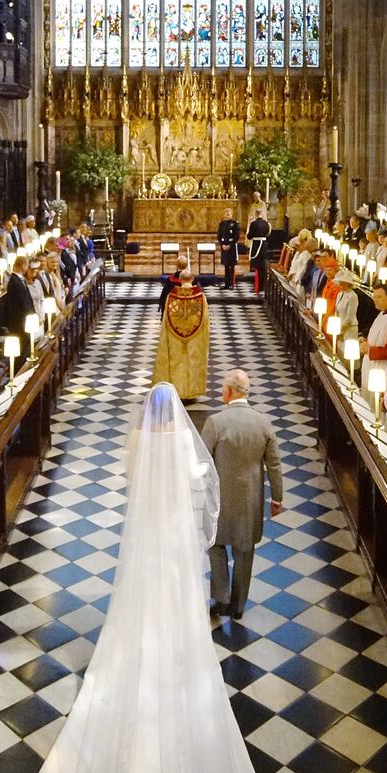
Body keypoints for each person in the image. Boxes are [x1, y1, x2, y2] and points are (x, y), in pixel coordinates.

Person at [38, 382, 257, 773]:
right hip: (173, 530)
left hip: (145, 530)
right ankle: (175, 641)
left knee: (141, 587)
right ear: (174, 412)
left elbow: (130, 474)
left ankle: (140, 642)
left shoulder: (139, 439)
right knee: (176, 586)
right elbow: (203, 481)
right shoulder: (182, 443)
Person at [202, 370, 283, 620]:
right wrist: (277, 498)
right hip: (251, 502)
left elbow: (203, 462)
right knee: (244, 552)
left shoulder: (216, 422)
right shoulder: (263, 423)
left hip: (219, 500)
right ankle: (238, 606)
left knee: (216, 546)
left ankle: (222, 597)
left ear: (228, 392)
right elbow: (275, 464)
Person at [152, 270, 209, 400]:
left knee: (176, 362)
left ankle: (176, 390)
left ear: (180, 280)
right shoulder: (200, 296)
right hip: (195, 337)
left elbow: (166, 317)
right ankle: (191, 392)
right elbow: (205, 319)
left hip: (174, 336)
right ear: (192, 279)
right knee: (191, 361)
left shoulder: (171, 296)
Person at [247, 209, 270, 294]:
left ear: (255, 214)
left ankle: (257, 287)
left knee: (257, 267)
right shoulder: (266, 223)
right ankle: (262, 286)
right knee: (262, 267)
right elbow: (268, 233)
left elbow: (249, 236)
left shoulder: (253, 224)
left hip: (256, 245)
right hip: (264, 246)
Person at [217, 209, 240, 290]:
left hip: (232, 247)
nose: (228, 214)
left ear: (232, 214)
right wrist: (222, 244)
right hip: (224, 247)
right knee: (226, 266)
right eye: (226, 213)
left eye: (229, 213)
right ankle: (226, 284)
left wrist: (230, 245)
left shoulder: (234, 224)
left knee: (232, 266)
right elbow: (219, 236)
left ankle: (231, 284)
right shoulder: (222, 224)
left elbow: (236, 236)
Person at [334, 268, 359, 343]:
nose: (340, 284)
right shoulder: (340, 294)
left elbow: (349, 319)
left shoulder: (353, 296)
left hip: (349, 329)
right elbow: (337, 311)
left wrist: (340, 330)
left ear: (348, 283)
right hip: (340, 328)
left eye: (342, 283)